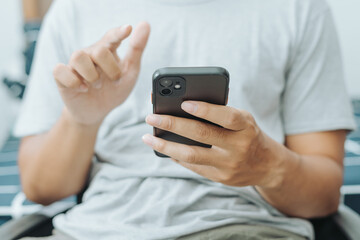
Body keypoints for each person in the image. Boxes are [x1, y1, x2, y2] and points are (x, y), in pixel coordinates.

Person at [15, 0, 356, 239]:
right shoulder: (73, 8)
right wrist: (81, 121)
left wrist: (267, 165)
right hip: (95, 230)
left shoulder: (300, 8)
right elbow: (41, 188)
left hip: (249, 229)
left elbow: (324, 196)